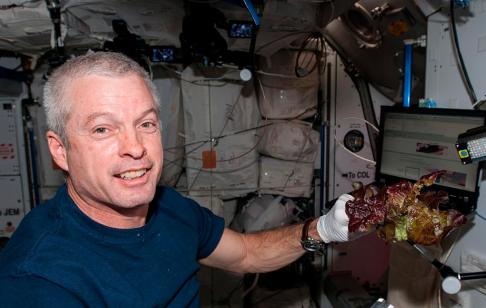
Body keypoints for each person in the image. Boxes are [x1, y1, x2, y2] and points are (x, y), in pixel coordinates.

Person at [0, 52, 354, 307]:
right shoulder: (36, 278)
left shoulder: (168, 207)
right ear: (60, 150)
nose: (135, 148)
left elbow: (246, 254)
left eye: (146, 124)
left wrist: (323, 229)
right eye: (103, 129)